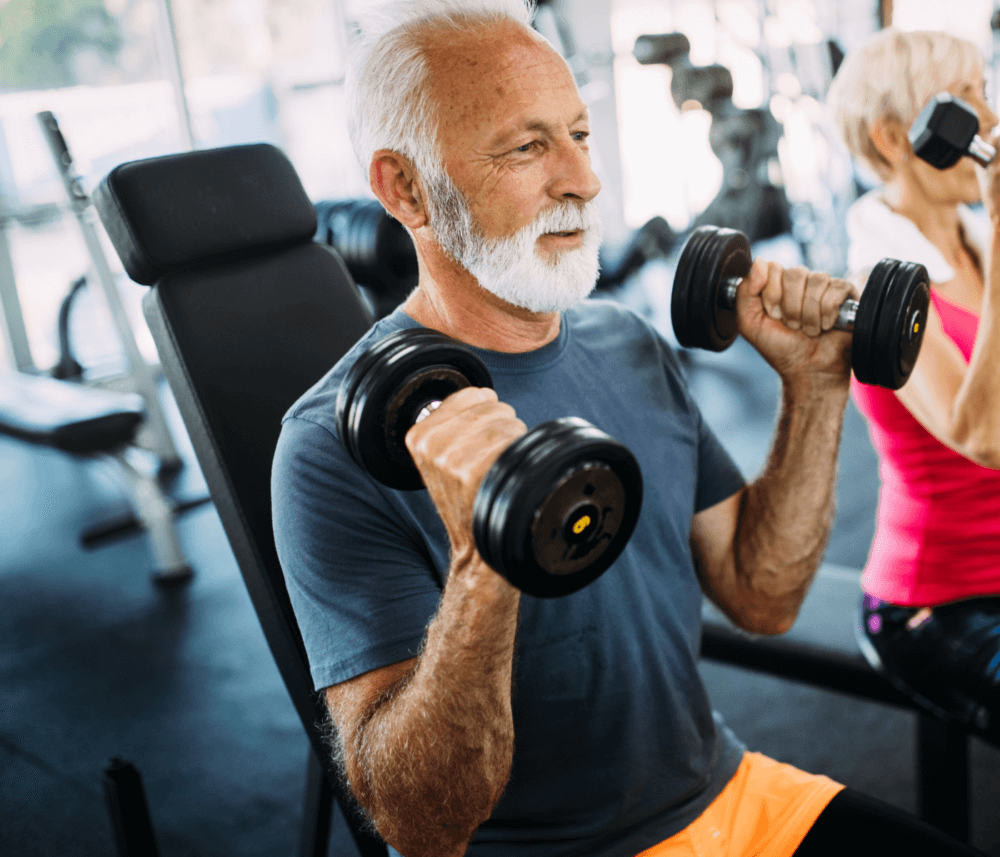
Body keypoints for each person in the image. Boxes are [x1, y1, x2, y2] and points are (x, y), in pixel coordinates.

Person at [272, 3, 986, 855]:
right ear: (406, 188)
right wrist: (483, 560)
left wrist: (813, 381)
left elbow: (762, 595)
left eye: (578, 133)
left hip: (729, 791)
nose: (583, 178)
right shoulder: (330, 446)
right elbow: (421, 824)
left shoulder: (628, 342)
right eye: (528, 146)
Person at [827, 28, 1000, 739]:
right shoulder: (880, 286)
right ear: (898, 137)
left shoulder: (976, 241)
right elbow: (984, 435)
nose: (988, 121)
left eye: (984, 95)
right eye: (964, 104)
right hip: (942, 599)